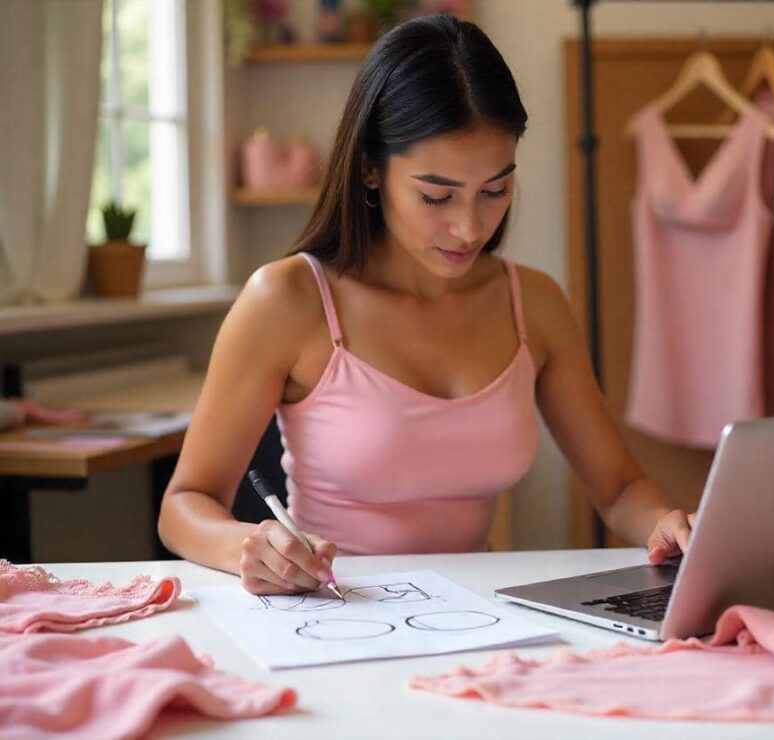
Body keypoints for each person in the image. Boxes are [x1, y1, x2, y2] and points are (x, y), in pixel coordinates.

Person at [157, 15, 691, 595]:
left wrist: (668, 524)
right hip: (329, 611)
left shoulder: (532, 303)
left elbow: (618, 489)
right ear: (369, 168)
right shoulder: (288, 301)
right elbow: (185, 504)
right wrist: (249, 546)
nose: (469, 227)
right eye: (436, 195)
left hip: (477, 616)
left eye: (495, 189)